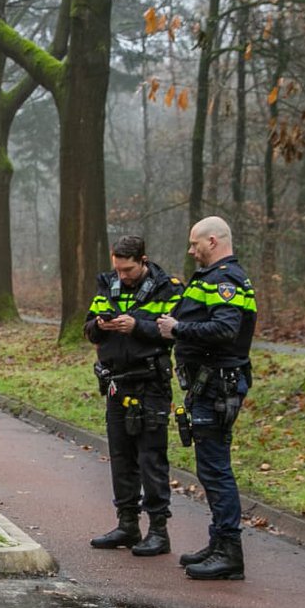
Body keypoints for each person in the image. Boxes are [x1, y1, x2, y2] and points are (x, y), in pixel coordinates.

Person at [158, 215, 257, 580]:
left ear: (213, 241)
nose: (190, 250)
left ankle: (229, 551)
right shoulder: (216, 278)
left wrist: (178, 328)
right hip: (210, 384)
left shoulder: (225, 279)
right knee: (210, 467)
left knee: (215, 469)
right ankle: (219, 543)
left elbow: (226, 329)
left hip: (217, 385)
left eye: (194, 243)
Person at [84, 235, 185, 556]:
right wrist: (101, 326)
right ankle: (127, 524)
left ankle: (158, 531)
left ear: (143, 260)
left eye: (128, 270)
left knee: (150, 457)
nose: (122, 276)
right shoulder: (107, 286)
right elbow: (88, 329)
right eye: (118, 269)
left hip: (150, 384)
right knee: (121, 457)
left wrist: (136, 326)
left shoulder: (167, 288)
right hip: (116, 383)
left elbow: (175, 332)